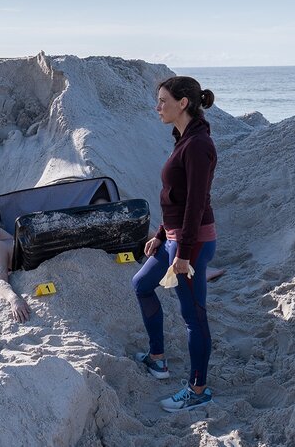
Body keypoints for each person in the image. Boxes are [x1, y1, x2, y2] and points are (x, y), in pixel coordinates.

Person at [131, 76, 217, 413]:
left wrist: (182, 254)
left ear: (183, 103)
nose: (158, 107)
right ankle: (158, 360)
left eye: (163, 100)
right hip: (173, 237)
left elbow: (196, 203)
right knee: (141, 284)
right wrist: (159, 234)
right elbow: (175, 198)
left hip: (190, 245)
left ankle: (198, 389)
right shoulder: (184, 138)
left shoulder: (198, 145)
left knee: (193, 317)